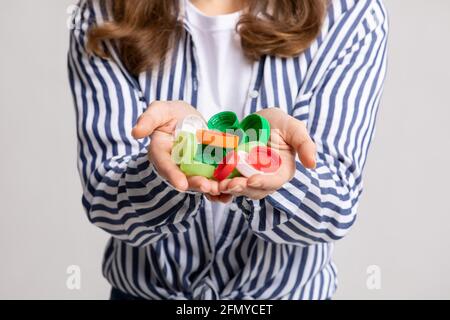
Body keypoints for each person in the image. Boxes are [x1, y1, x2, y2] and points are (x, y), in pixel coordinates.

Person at [68, 0, 388, 300]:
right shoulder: (103, 10)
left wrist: (281, 174)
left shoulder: (351, 12)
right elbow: (105, 202)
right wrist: (159, 169)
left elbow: (337, 209)